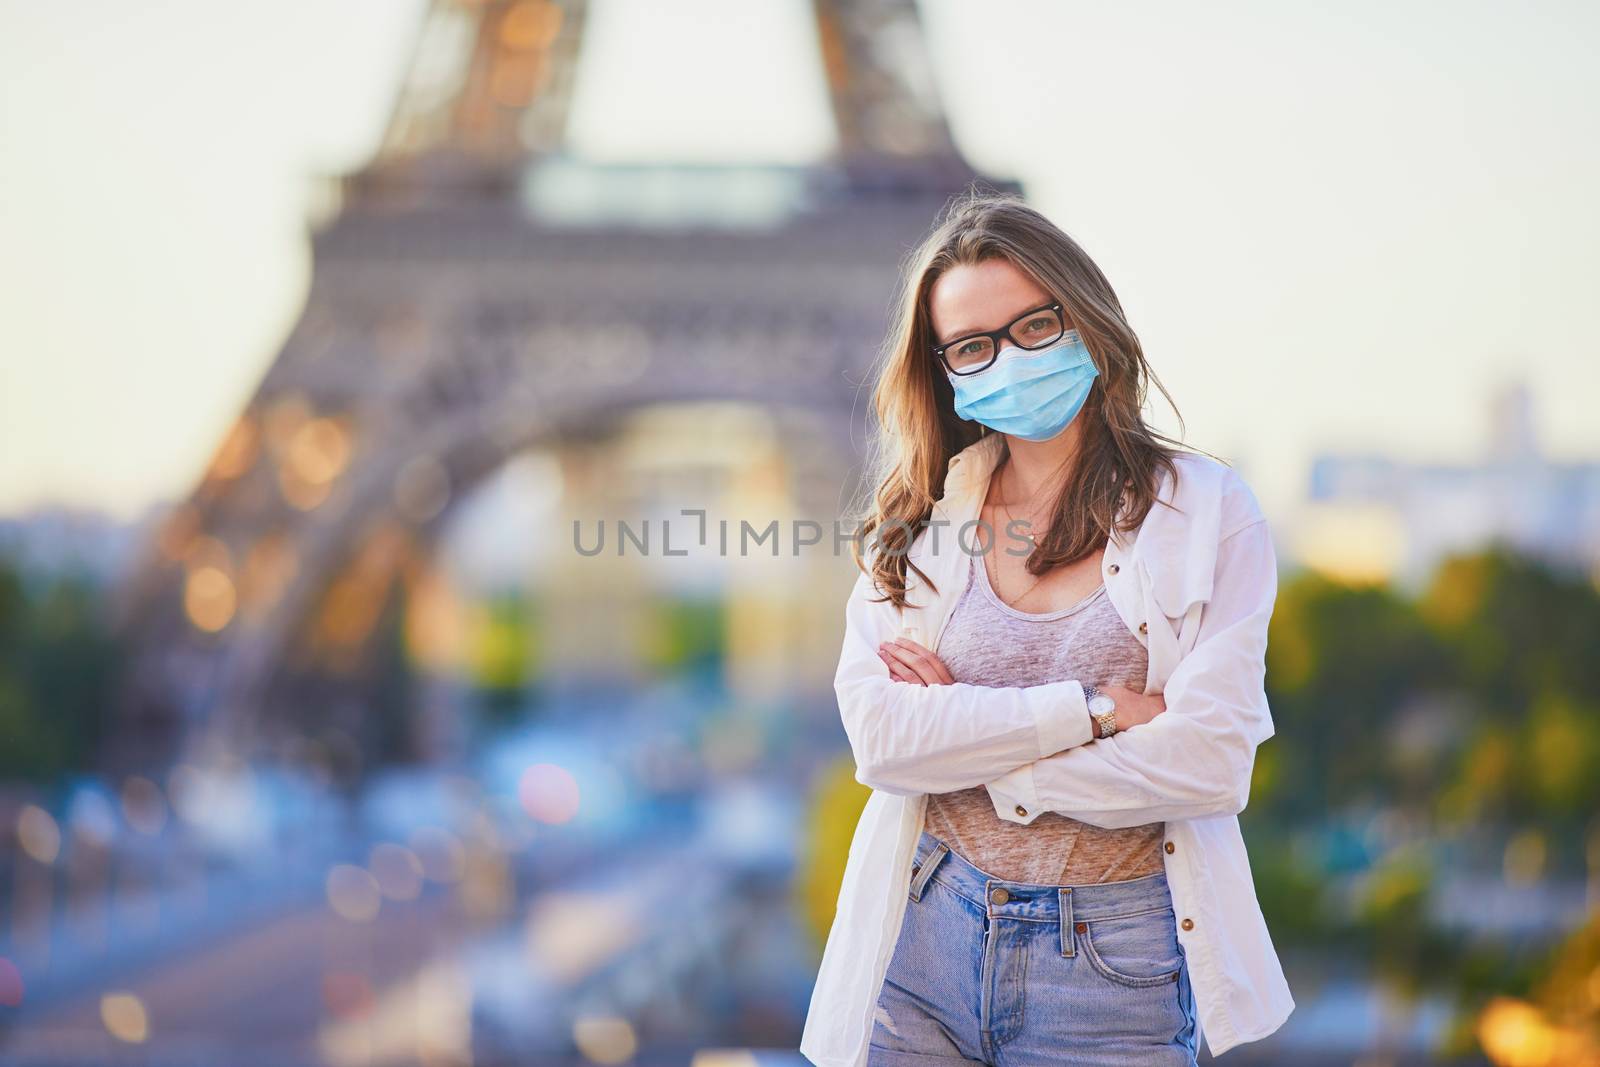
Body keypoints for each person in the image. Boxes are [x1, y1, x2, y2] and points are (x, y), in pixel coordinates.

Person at [800, 192, 1294, 1066]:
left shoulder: (1212, 513)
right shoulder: (915, 523)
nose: (1010, 360)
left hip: (1111, 959)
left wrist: (970, 737)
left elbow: (1210, 763)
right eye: (973, 346)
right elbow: (882, 742)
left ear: (1086, 317)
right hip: (923, 939)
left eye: (1035, 326)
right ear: (945, 369)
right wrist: (1096, 708)